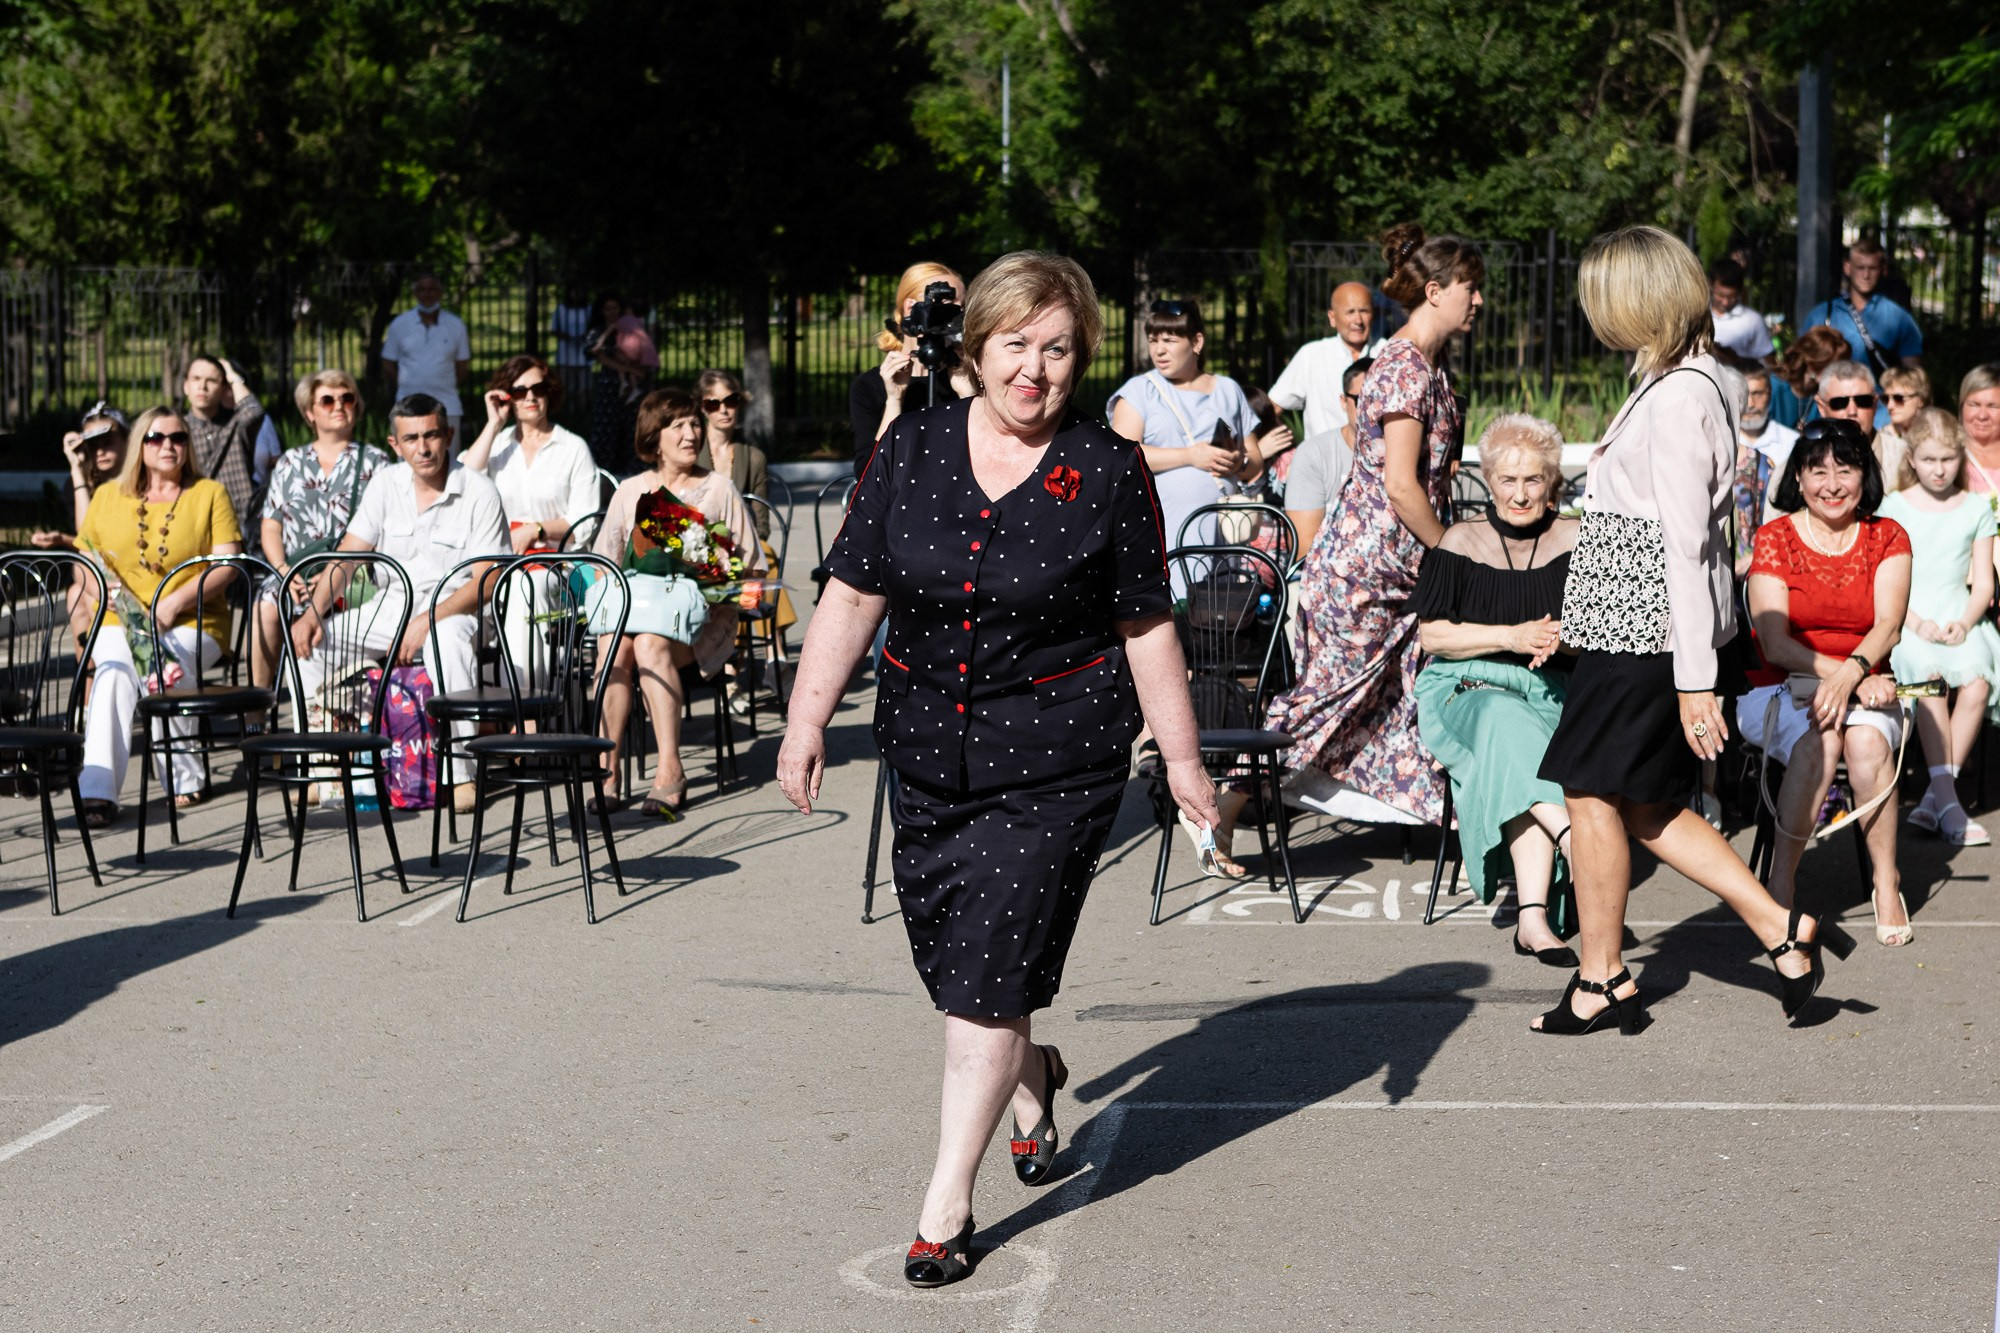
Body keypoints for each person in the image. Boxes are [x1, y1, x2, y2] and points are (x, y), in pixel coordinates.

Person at [775, 251, 1213, 1290]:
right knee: (958, 966)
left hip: (1057, 758)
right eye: (1015, 345)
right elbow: (849, 592)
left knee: (982, 972)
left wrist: (1185, 763)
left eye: (1057, 349)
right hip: (926, 751)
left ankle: (943, 1203)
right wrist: (804, 722)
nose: (1035, 369)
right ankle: (1037, 1071)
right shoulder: (912, 448)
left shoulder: (1104, 471)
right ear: (974, 350)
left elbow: (1144, 622)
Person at [1535, 225, 1851, 1037]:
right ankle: (1767, 932)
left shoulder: (1679, 395)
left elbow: (1684, 541)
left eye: (1601, 296)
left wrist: (1692, 680)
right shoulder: (1686, 379)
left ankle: (1605, 976)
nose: (1592, 312)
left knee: (1594, 790)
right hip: (1637, 625)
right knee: (1634, 802)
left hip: (1644, 631)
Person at [1250, 224, 1477, 839]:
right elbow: (1402, 486)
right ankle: (1216, 805)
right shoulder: (1403, 368)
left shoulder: (1427, 365)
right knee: (1323, 702)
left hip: (1402, 570)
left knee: (1415, 696)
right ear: (1435, 291)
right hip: (1366, 572)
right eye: (1470, 287)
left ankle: (1453, 823)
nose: (1478, 301)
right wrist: (1453, 550)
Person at [1738, 419, 1914, 946]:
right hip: (1778, 684)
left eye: (1846, 468)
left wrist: (1855, 675)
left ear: (1866, 475)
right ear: (1798, 476)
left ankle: (1887, 880)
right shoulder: (1774, 539)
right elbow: (1773, 638)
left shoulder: (1888, 536)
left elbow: (1889, 625)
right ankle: (1781, 885)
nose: (1832, 484)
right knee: (1821, 736)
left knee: (1861, 740)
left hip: (1868, 680)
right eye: (1818, 471)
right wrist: (1843, 679)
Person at [1412, 414, 1580, 963]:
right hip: (1463, 686)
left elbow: (1601, 635)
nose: (1520, 493)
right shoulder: (1460, 539)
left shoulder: (1578, 538)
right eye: (1507, 480)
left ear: (1552, 481)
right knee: (1503, 720)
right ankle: (1574, 837)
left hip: (1549, 691)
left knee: (1520, 740)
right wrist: (1511, 635)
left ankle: (1531, 918)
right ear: (1488, 480)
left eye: (1533, 480)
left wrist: (1563, 640)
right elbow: (1431, 633)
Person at [293, 394, 511, 815]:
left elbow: (488, 579)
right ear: (395, 444)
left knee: (445, 640)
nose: (423, 447)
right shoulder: (386, 484)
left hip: (459, 609)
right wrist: (313, 613)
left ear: (448, 435)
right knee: (309, 645)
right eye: (411, 438)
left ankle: (460, 774)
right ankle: (325, 767)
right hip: (392, 604)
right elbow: (347, 556)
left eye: (431, 435)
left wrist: (430, 618)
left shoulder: (479, 490)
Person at [592, 388, 764, 815]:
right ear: (654, 437)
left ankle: (669, 768)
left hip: (702, 623)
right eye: (678, 426)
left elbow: (753, 570)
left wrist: (713, 566)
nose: (691, 434)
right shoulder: (631, 491)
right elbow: (602, 566)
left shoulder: (719, 489)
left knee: (647, 642)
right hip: (637, 616)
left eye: (693, 424)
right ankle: (607, 766)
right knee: (617, 644)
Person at [73, 407, 244, 826]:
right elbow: (84, 559)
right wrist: (109, 594)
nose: (168, 446)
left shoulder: (208, 493)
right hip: (118, 620)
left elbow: (227, 565)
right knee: (114, 670)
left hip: (192, 621)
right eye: (156, 438)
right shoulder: (108, 496)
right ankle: (98, 790)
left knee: (163, 659)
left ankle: (180, 774)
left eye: (178, 438)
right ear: (140, 446)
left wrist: (173, 604)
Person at [1880, 408, 1999, 849]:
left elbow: (1983, 582)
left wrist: (1964, 622)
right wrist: (1913, 621)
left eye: (1947, 459)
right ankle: (1951, 806)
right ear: (1911, 459)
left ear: (1960, 458)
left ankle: (1936, 798)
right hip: (1905, 621)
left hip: (1957, 617)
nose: (1938, 469)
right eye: (1929, 460)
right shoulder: (1893, 507)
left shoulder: (1974, 508)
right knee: (1929, 682)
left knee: (1977, 680)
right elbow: (1884, 578)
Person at [256, 370, 394, 705]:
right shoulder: (289, 462)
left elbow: (385, 528)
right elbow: (271, 526)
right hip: (295, 572)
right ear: (309, 412)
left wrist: (334, 573)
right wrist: (284, 571)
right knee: (266, 606)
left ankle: (335, 707)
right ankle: (258, 711)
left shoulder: (376, 462)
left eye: (347, 398)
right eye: (327, 400)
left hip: (353, 570)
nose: (339, 406)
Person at [461, 354, 600, 689]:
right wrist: (494, 424)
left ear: (549, 392)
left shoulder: (572, 448)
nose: (530, 397)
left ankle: (524, 704)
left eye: (538, 388)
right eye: (519, 391)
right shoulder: (498, 445)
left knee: (527, 588)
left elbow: (583, 524)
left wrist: (535, 530)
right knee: (457, 599)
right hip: (496, 562)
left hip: (556, 564)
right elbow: (464, 481)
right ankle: (475, 705)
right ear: (507, 396)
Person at [1108, 298, 1265, 563]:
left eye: (1169, 341)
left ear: (1197, 342)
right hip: (1164, 534)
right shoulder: (1140, 391)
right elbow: (1121, 458)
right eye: (1153, 340)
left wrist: (1238, 463)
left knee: (1220, 602)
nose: (1158, 350)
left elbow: (1255, 459)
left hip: (1225, 535)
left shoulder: (1228, 390)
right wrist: (1189, 456)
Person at [848, 261, 973, 471]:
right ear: (910, 307)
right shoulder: (870, 386)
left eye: (961, 309)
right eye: (948, 305)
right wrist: (894, 400)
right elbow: (868, 475)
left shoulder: (966, 378)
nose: (956, 317)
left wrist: (968, 395)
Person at [1268, 280, 1388, 439]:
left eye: (1364, 311)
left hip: (1378, 459)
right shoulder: (1312, 355)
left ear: (1373, 314)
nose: (1358, 321)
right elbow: (1273, 406)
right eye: (1350, 312)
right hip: (1322, 461)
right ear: (1332, 318)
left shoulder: (1388, 353)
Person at [1281, 357, 1371, 555]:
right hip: (1328, 575)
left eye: (1377, 400)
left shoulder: (1407, 452)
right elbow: (1303, 548)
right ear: (1343, 402)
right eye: (1361, 400)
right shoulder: (1314, 454)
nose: (1370, 409)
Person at [1803, 238, 1923, 374]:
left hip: (1879, 394)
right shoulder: (1821, 315)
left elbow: (1913, 378)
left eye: (1872, 268)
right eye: (1860, 268)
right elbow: (1804, 368)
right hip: (1830, 395)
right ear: (1847, 268)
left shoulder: (1900, 319)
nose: (1866, 275)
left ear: (1883, 270)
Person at [380, 272, 472, 440]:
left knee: (449, 460)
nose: (427, 294)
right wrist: (405, 383)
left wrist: (442, 383)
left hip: (448, 405)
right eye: (422, 289)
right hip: (407, 407)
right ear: (415, 293)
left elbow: (463, 366)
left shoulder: (455, 324)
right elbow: (388, 363)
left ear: (440, 292)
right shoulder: (400, 324)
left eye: (432, 289)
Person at [181, 354, 265, 528]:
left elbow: (254, 412)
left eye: (211, 380)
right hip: (194, 520)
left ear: (223, 388)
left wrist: (232, 376)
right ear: (186, 386)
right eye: (196, 379)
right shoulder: (178, 430)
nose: (202, 386)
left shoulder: (236, 423)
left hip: (238, 519)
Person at [1730, 363, 1800, 572]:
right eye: (1744, 395)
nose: (1750, 403)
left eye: (1757, 394)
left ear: (1770, 394)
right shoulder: (1723, 446)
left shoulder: (1792, 443)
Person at [31, 402, 128, 551]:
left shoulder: (141, 481)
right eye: (93, 445)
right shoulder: (77, 485)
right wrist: (76, 468)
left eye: (108, 443)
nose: (100, 451)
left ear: (127, 441)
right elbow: (88, 539)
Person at [693, 369, 770, 531]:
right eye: (713, 404)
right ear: (702, 407)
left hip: (742, 546)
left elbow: (761, 525)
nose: (723, 410)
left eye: (731, 401)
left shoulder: (753, 458)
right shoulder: (689, 452)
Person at [1769, 325, 1850, 429]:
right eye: (1831, 366)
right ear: (1812, 361)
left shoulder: (1826, 395)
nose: (1838, 374)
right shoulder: (1773, 386)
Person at [1708, 257, 1774, 362]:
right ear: (1710, 286)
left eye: (1731, 297)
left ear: (1740, 292)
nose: (1725, 302)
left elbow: (1768, 359)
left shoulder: (1753, 320)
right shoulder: (1698, 316)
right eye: (1720, 295)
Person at [1957, 364, 2000, 498]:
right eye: (1974, 405)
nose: (1982, 416)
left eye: (1993, 406)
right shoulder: (1945, 455)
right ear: (1961, 407)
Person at [550, 284, 595, 404]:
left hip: (583, 351)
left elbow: (593, 328)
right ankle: (568, 409)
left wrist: (584, 337)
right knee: (566, 385)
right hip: (566, 351)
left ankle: (583, 408)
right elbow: (554, 329)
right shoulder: (561, 309)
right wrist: (566, 337)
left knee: (584, 386)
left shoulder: (588, 309)